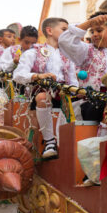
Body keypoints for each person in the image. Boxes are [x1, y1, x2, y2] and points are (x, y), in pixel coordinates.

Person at [14, 18, 78, 159]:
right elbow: (17, 75)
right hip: (40, 96)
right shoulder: (33, 52)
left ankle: (69, 144)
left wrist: (75, 91)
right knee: (42, 97)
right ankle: (49, 142)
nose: (67, 33)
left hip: (63, 96)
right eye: (64, 29)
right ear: (49, 31)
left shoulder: (68, 56)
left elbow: (73, 81)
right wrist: (38, 76)